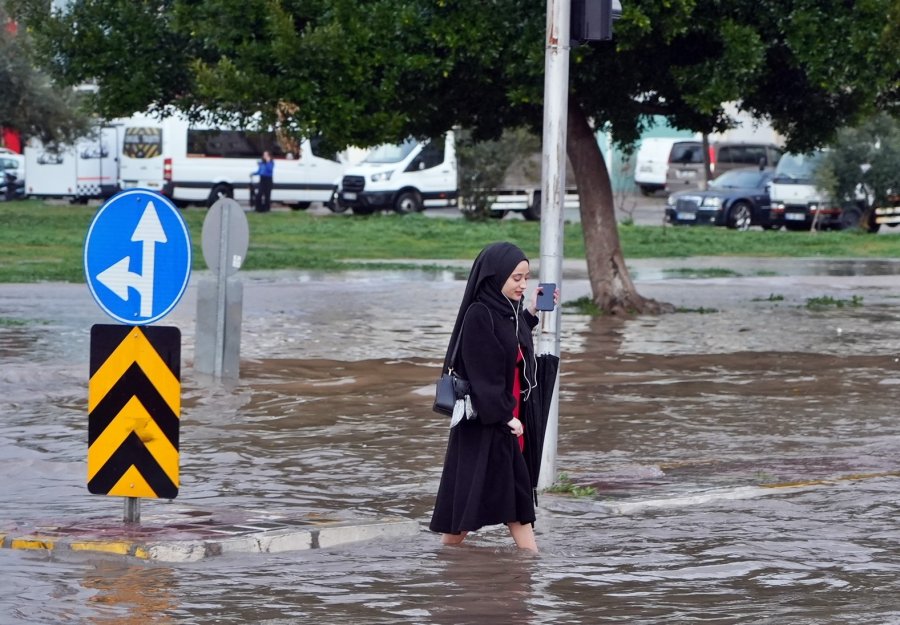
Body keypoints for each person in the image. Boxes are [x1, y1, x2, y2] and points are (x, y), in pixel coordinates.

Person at [429, 241, 558, 552]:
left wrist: (531, 312)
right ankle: (533, 569)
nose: (523, 284)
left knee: (490, 510)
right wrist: (506, 418)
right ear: (495, 275)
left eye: (526, 278)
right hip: (490, 425)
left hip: (506, 423)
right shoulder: (479, 314)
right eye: (516, 278)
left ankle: (445, 564)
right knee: (501, 510)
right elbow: (483, 376)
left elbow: (510, 340)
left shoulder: (506, 312)